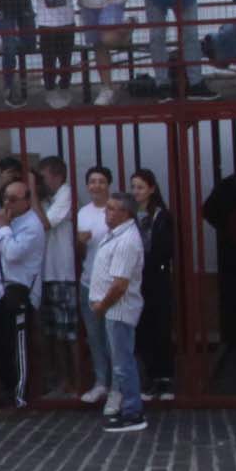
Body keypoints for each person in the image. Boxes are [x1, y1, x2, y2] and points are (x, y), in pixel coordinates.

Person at [89, 184, 150, 430]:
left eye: (113, 210)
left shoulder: (127, 240)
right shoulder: (115, 233)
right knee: (121, 360)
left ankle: (133, 412)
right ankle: (129, 407)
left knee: (123, 363)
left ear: (126, 213)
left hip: (119, 310)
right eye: (108, 209)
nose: (107, 213)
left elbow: (120, 284)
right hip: (112, 310)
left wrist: (102, 305)